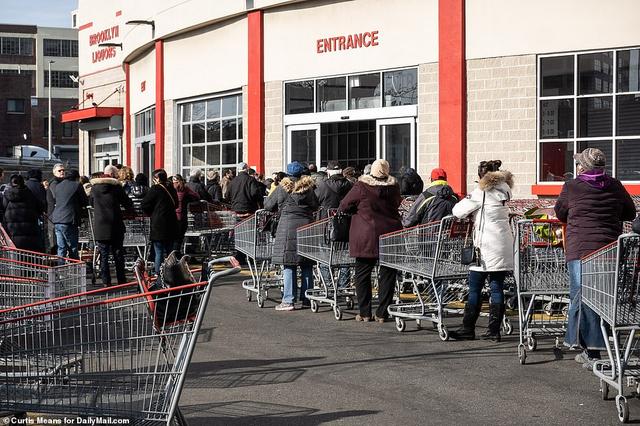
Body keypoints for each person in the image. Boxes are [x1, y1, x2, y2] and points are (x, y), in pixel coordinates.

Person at [554, 148, 636, 367]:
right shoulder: (615, 185)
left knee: (582, 297)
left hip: (581, 249)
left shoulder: (572, 186)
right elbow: (631, 213)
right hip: (609, 249)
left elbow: (560, 213)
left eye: (579, 164)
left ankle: (590, 350)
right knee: (602, 298)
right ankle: (599, 346)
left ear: (583, 167)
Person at [448, 160, 514, 342]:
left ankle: (468, 327)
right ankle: (494, 330)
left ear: (482, 176)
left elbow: (458, 211)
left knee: (475, 287)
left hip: (486, 246)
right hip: (503, 244)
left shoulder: (481, 191)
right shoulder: (505, 189)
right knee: (496, 287)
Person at [338, 159, 402, 322]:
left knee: (363, 274)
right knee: (388, 274)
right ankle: (382, 312)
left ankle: (365, 312)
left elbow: (344, 205)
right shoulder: (394, 186)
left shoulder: (361, 186)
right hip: (390, 233)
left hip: (366, 234)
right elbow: (397, 203)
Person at [264, 161, 319, 311]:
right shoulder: (307, 188)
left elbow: (268, 205)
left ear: (288, 173)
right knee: (306, 263)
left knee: (289, 263)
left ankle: (288, 300)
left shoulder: (282, 188)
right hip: (306, 227)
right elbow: (315, 205)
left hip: (287, 227)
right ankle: (308, 298)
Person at [90, 165, 134, 286]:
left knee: (103, 255)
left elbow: (91, 203)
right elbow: (127, 203)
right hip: (115, 225)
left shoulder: (94, 188)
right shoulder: (116, 188)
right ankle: (121, 279)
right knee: (118, 254)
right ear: (113, 175)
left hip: (100, 226)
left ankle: (106, 281)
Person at [315, 160, 353, 289]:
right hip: (345, 225)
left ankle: (328, 285)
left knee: (325, 255)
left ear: (328, 172)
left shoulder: (322, 186)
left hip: (326, 225)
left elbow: (315, 202)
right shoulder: (350, 185)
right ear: (341, 172)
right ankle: (344, 286)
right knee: (344, 256)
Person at [141, 169, 179, 274]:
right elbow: (176, 204)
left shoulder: (155, 189)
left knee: (159, 252)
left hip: (158, 224)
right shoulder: (171, 189)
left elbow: (144, 204)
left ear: (157, 178)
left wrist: (151, 212)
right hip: (171, 223)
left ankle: (158, 275)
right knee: (170, 252)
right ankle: (172, 273)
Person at [51, 169, 88, 259]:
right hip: (69, 220)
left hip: (57, 219)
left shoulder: (58, 186)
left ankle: (61, 268)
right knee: (73, 247)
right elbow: (84, 201)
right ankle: (74, 269)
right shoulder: (77, 185)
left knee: (61, 247)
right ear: (76, 177)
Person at [3, 174, 45, 252]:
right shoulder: (29, 194)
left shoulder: (7, 195)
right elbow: (40, 209)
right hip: (30, 233)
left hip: (13, 232)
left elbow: (3, 210)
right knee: (29, 257)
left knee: (16, 257)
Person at [172, 174, 199, 254]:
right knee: (179, 238)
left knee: (174, 238)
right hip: (181, 216)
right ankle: (176, 254)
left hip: (172, 216)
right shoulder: (184, 189)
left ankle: (173, 255)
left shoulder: (170, 189)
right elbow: (196, 196)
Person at [46, 163, 66, 253]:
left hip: (59, 214)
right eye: (59, 170)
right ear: (54, 172)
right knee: (56, 241)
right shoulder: (54, 183)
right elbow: (57, 196)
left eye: (63, 170)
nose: (62, 172)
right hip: (54, 215)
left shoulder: (63, 182)